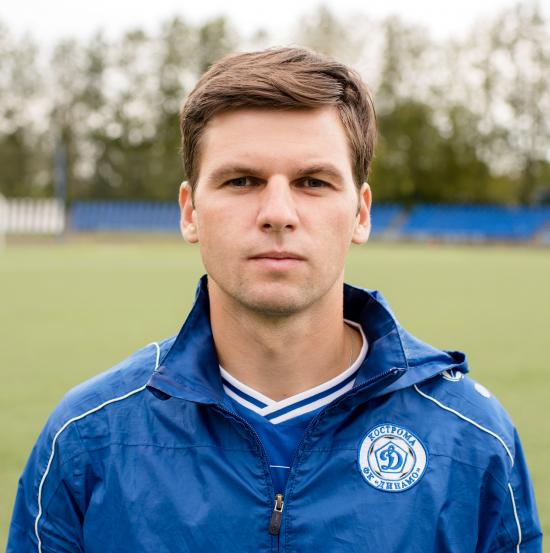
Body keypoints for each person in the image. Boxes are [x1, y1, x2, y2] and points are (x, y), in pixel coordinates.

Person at [8, 47, 542, 552]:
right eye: (242, 181)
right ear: (190, 212)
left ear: (360, 213)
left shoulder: (471, 438)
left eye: (313, 182)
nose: (278, 213)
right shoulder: (86, 439)